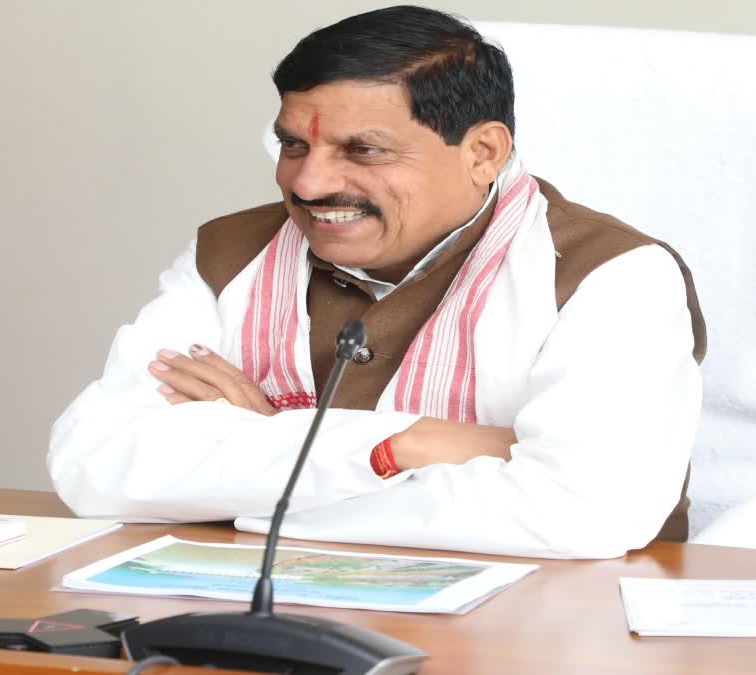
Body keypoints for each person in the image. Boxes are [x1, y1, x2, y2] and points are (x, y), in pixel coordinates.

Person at [48, 6, 706, 559]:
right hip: (264, 607)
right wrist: (408, 446)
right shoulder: (229, 251)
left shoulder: (612, 275)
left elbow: (581, 510)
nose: (307, 184)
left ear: (483, 152)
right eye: (294, 146)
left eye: (363, 151)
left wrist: (260, 457)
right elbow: (94, 463)